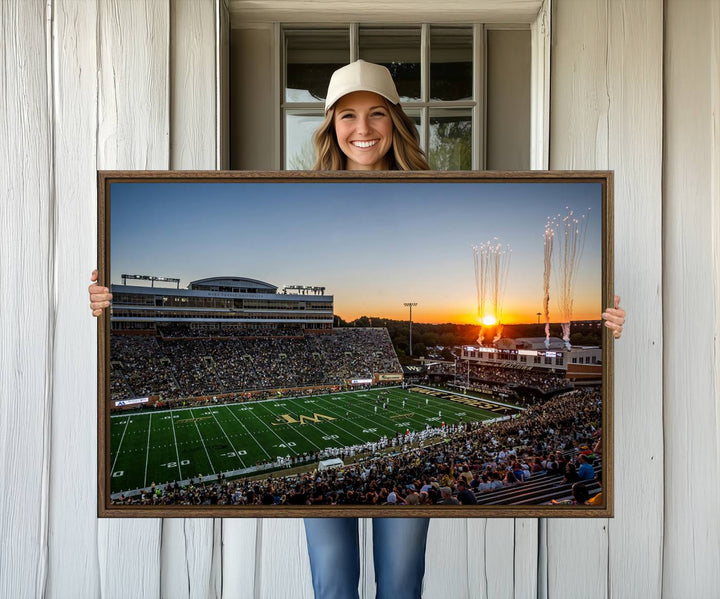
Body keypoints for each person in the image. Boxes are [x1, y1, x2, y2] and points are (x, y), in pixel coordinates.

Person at [88, 59, 627, 599]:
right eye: (347, 116)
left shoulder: (434, 191)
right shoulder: (300, 192)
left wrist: (602, 327)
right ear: (330, 125)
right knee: (333, 582)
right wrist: (110, 301)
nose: (362, 129)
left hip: (392, 459)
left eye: (376, 114)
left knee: (399, 582)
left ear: (395, 120)